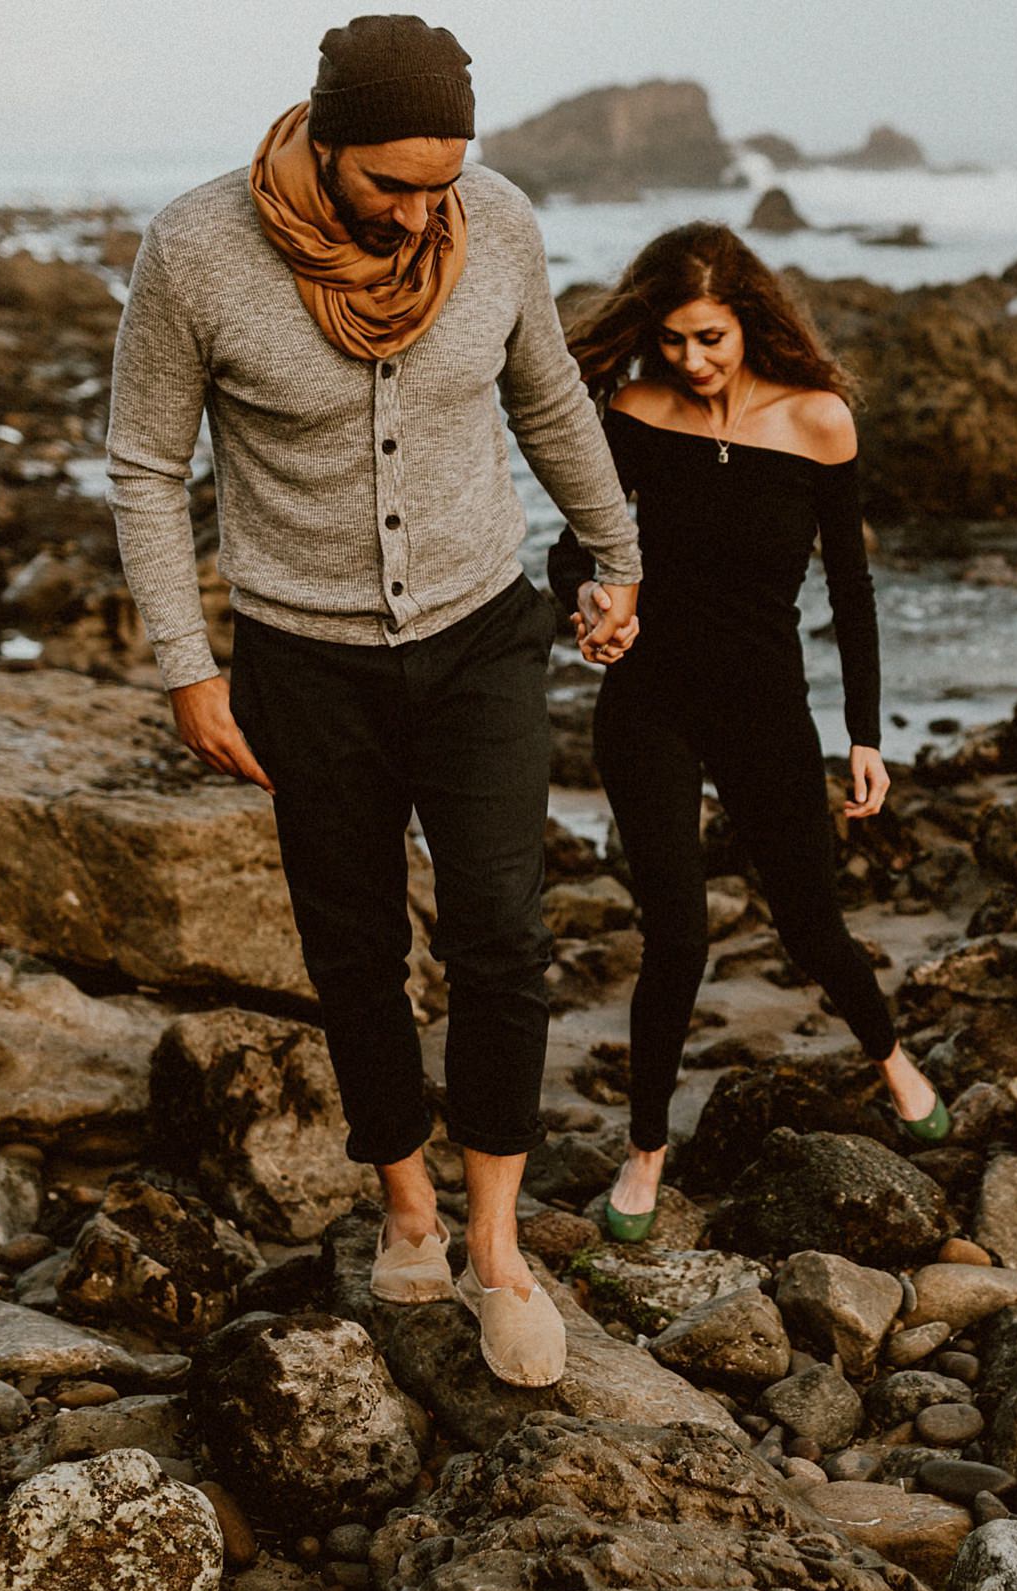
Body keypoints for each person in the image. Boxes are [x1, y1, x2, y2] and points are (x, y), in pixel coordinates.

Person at [105, 14, 641, 1387]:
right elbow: (148, 467)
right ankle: (404, 1203)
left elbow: (552, 396)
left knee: (503, 935)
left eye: (441, 184)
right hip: (304, 653)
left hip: (482, 629)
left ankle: (497, 1244)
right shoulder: (197, 247)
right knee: (352, 945)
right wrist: (186, 660)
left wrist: (617, 550)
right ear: (322, 141)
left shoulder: (495, 223)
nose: (417, 215)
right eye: (390, 185)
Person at [550, 222, 946, 1243]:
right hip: (648, 702)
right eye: (673, 339)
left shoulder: (819, 422)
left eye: (709, 338)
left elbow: (851, 591)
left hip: (769, 706)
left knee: (811, 924)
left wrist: (864, 732)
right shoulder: (632, 411)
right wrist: (591, 606)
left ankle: (891, 1057)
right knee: (674, 935)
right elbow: (574, 552)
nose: (690, 360)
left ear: (750, 322)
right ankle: (644, 1153)